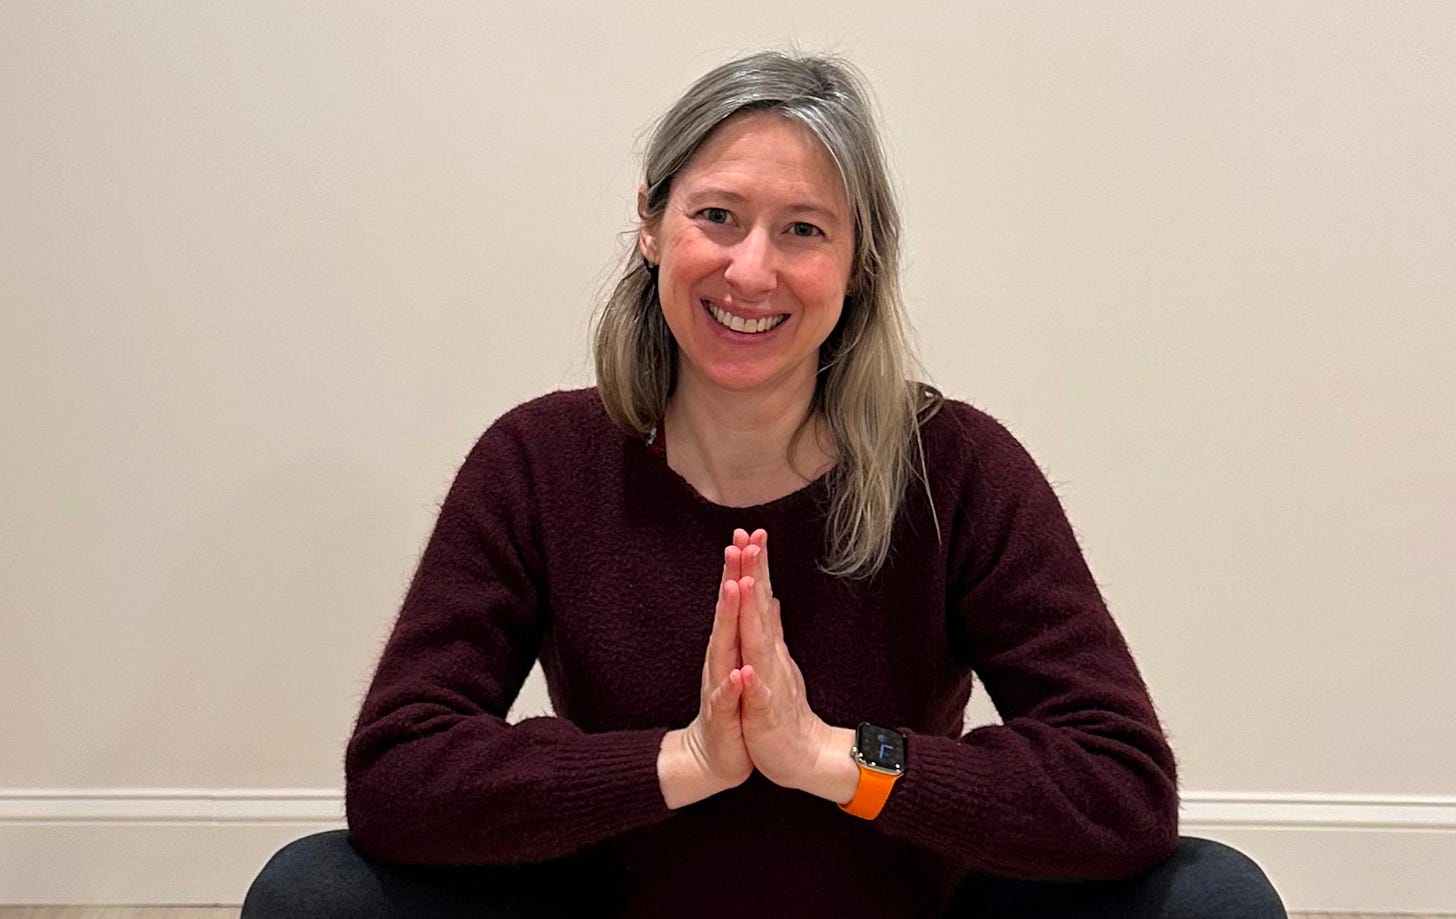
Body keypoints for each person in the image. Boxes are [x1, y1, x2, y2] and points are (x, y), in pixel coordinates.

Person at [243, 51, 1286, 918]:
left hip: (900, 910)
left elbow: (1120, 788)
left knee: (1215, 900)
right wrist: (684, 760)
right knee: (312, 892)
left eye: (803, 229)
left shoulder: (957, 468)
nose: (751, 271)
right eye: (717, 216)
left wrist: (834, 757)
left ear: (858, 264)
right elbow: (397, 774)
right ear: (650, 226)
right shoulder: (538, 460)